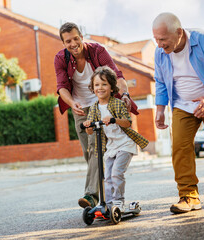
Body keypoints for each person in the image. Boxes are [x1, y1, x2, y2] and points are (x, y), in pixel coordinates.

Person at [152, 12, 204, 214]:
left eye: (163, 39)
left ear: (179, 32)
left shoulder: (202, 40)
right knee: (180, 148)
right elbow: (161, 82)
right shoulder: (160, 53)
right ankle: (188, 196)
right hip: (182, 104)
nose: (159, 45)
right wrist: (160, 109)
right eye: (156, 39)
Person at [54, 22, 133, 208]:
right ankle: (106, 194)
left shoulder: (97, 51)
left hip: (101, 104)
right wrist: (72, 103)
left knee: (96, 148)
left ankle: (91, 195)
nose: (73, 43)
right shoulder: (60, 58)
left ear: (81, 36)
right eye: (68, 41)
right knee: (89, 153)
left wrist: (126, 94)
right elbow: (61, 87)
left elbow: (117, 75)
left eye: (75, 38)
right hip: (80, 108)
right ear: (63, 43)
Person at [83, 66, 149, 212]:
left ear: (112, 88)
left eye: (104, 84)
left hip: (125, 144)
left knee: (116, 173)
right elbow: (89, 132)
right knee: (107, 176)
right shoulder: (94, 108)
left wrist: (113, 119)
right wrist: (88, 125)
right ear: (93, 88)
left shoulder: (117, 103)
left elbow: (128, 122)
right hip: (111, 146)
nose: (100, 88)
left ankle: (118, 201)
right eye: (97, 85)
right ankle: (107, 204)